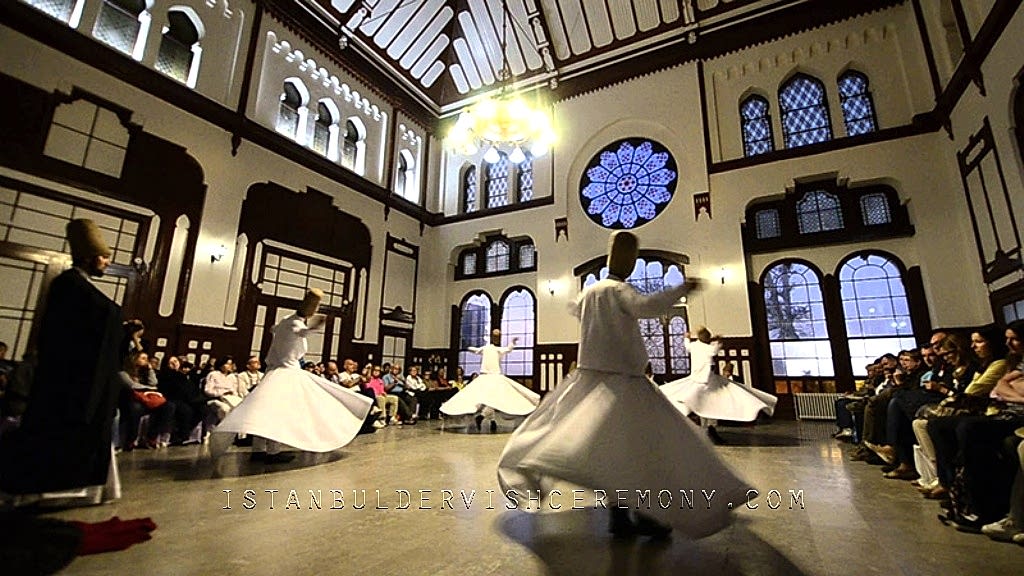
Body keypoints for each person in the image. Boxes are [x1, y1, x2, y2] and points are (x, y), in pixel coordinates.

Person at [497, 231, 748, 540]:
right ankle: (642, 515)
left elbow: (575, 308)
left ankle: (622, 516)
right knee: (639, 450)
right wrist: (683, 288)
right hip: (622, 383)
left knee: (611, 451)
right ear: (623, 260)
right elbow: (649, 306)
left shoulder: (591, 292)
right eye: (629, 256)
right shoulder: (618, 291)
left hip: (591, 381)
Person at [0, 220, 125, 507]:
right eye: (104, 257)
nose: (107, 262)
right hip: (70, 378)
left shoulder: (78, 286)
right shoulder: (68, 285)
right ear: (88, 257)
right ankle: (49, 492)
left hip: (80, 374)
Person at [210, 289, 372, 463]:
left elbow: (276, 329)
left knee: (263, 412)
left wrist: (309, 327)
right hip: (285, 373)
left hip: (275, 373)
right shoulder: (294, 324)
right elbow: (301, 331)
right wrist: (315, 327)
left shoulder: (285, 322)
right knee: (279, 412)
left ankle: (259, 450)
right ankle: (272, 451)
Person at [661, 327, 777, 444]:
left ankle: (703, 429)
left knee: (699, 404)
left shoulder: (695, 346)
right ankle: (707, 429)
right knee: (716, 401)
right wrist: (719, 340)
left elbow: (688, 346)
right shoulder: (709, 348)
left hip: (698, 380)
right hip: (708, 382)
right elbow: (715, 349)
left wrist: (686, 337)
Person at [440, 329, 540, 432]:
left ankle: (485, 418)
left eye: (498, 336)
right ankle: (488, 419)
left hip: (495, 377)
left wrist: (513, 342)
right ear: (492, 337)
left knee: (493, 399)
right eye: (495, 336)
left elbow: (508, 349)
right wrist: (467, 345)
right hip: (486, 377)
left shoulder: (497, 350)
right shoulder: (486, 348)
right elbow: (475, 350)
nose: (497, 338)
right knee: (489, 399)